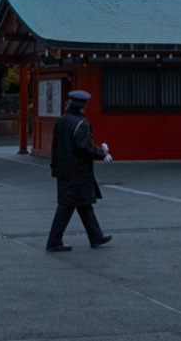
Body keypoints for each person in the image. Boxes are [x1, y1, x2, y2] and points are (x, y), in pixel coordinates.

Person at [46, 89, 113, 252]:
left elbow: (55, 147)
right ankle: (54, 240)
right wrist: (101, 153)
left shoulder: (61, 121)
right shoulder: (81, 123)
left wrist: (54, 168)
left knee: (83, 204)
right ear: (83, 106)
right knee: (68, 205)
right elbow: (84, 146)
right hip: (78, 170)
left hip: (64, 169)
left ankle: (96, 236)